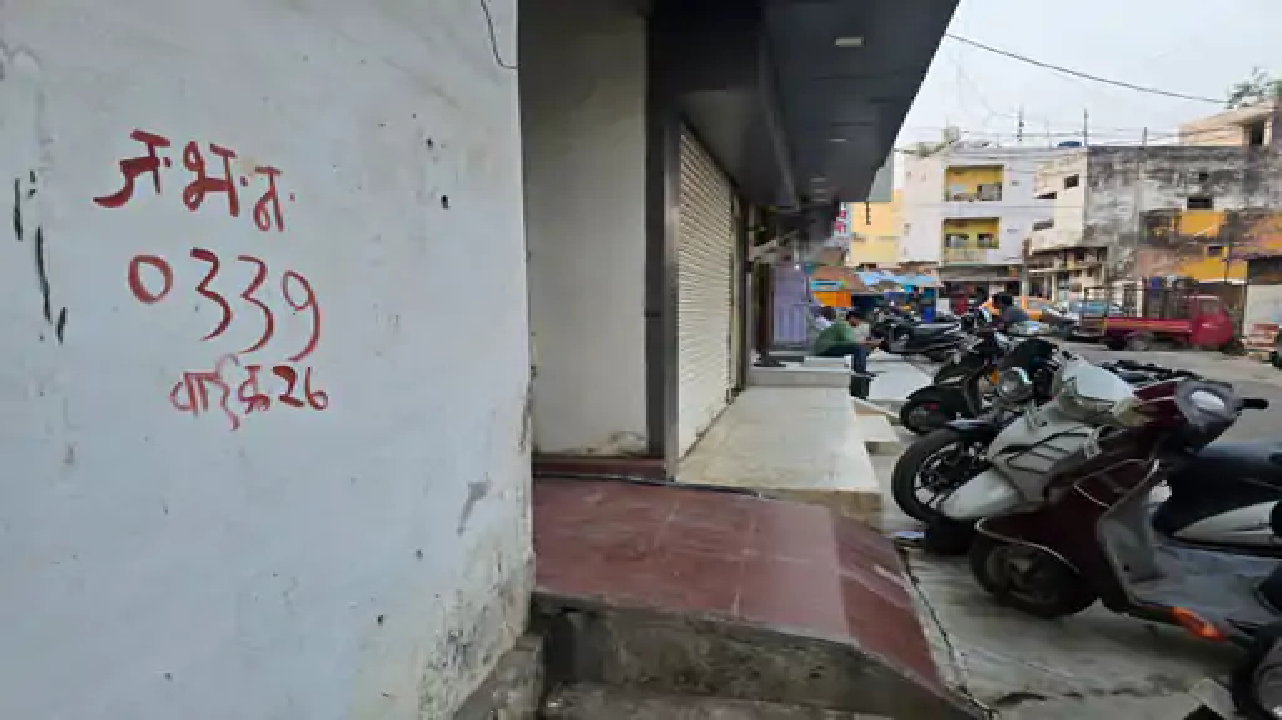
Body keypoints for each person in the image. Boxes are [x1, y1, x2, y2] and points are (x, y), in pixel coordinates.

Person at [813, 310, 880, 376]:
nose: (859, 323)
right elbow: (851, 342)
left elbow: (852, 342)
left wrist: (869, 345)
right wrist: (870, 342)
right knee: (860, 347)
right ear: (852, 318)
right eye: (859, 320)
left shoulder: (845, 326)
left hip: (826, 348)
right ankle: (860, 370)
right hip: (825, 348)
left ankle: (859, 368)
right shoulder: (843, 324)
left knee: (863, 348)